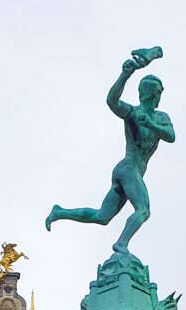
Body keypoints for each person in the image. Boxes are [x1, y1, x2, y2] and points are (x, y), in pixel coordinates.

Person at [46, 48, 175, 254]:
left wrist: (151, 125)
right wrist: (125, 74)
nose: (160, 96)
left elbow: (171, 136)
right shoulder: (132, 113)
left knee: (102, 217)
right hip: (128, 169)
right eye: (159, 92)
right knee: (143, 210)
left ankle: (59, 212)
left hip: (129, 171)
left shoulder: (160, 118)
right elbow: (112, 102)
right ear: (153, 94)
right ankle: (121, 244)